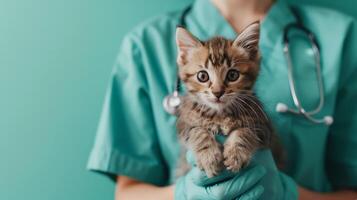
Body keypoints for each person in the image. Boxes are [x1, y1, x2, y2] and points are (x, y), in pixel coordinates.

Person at [87, 0, 357, 199]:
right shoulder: (145, 43)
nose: (216, 89)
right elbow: (128, 193)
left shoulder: (341, 37)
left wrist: (289, 194)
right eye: (205, 78)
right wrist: (183, 194)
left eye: (230, 76)